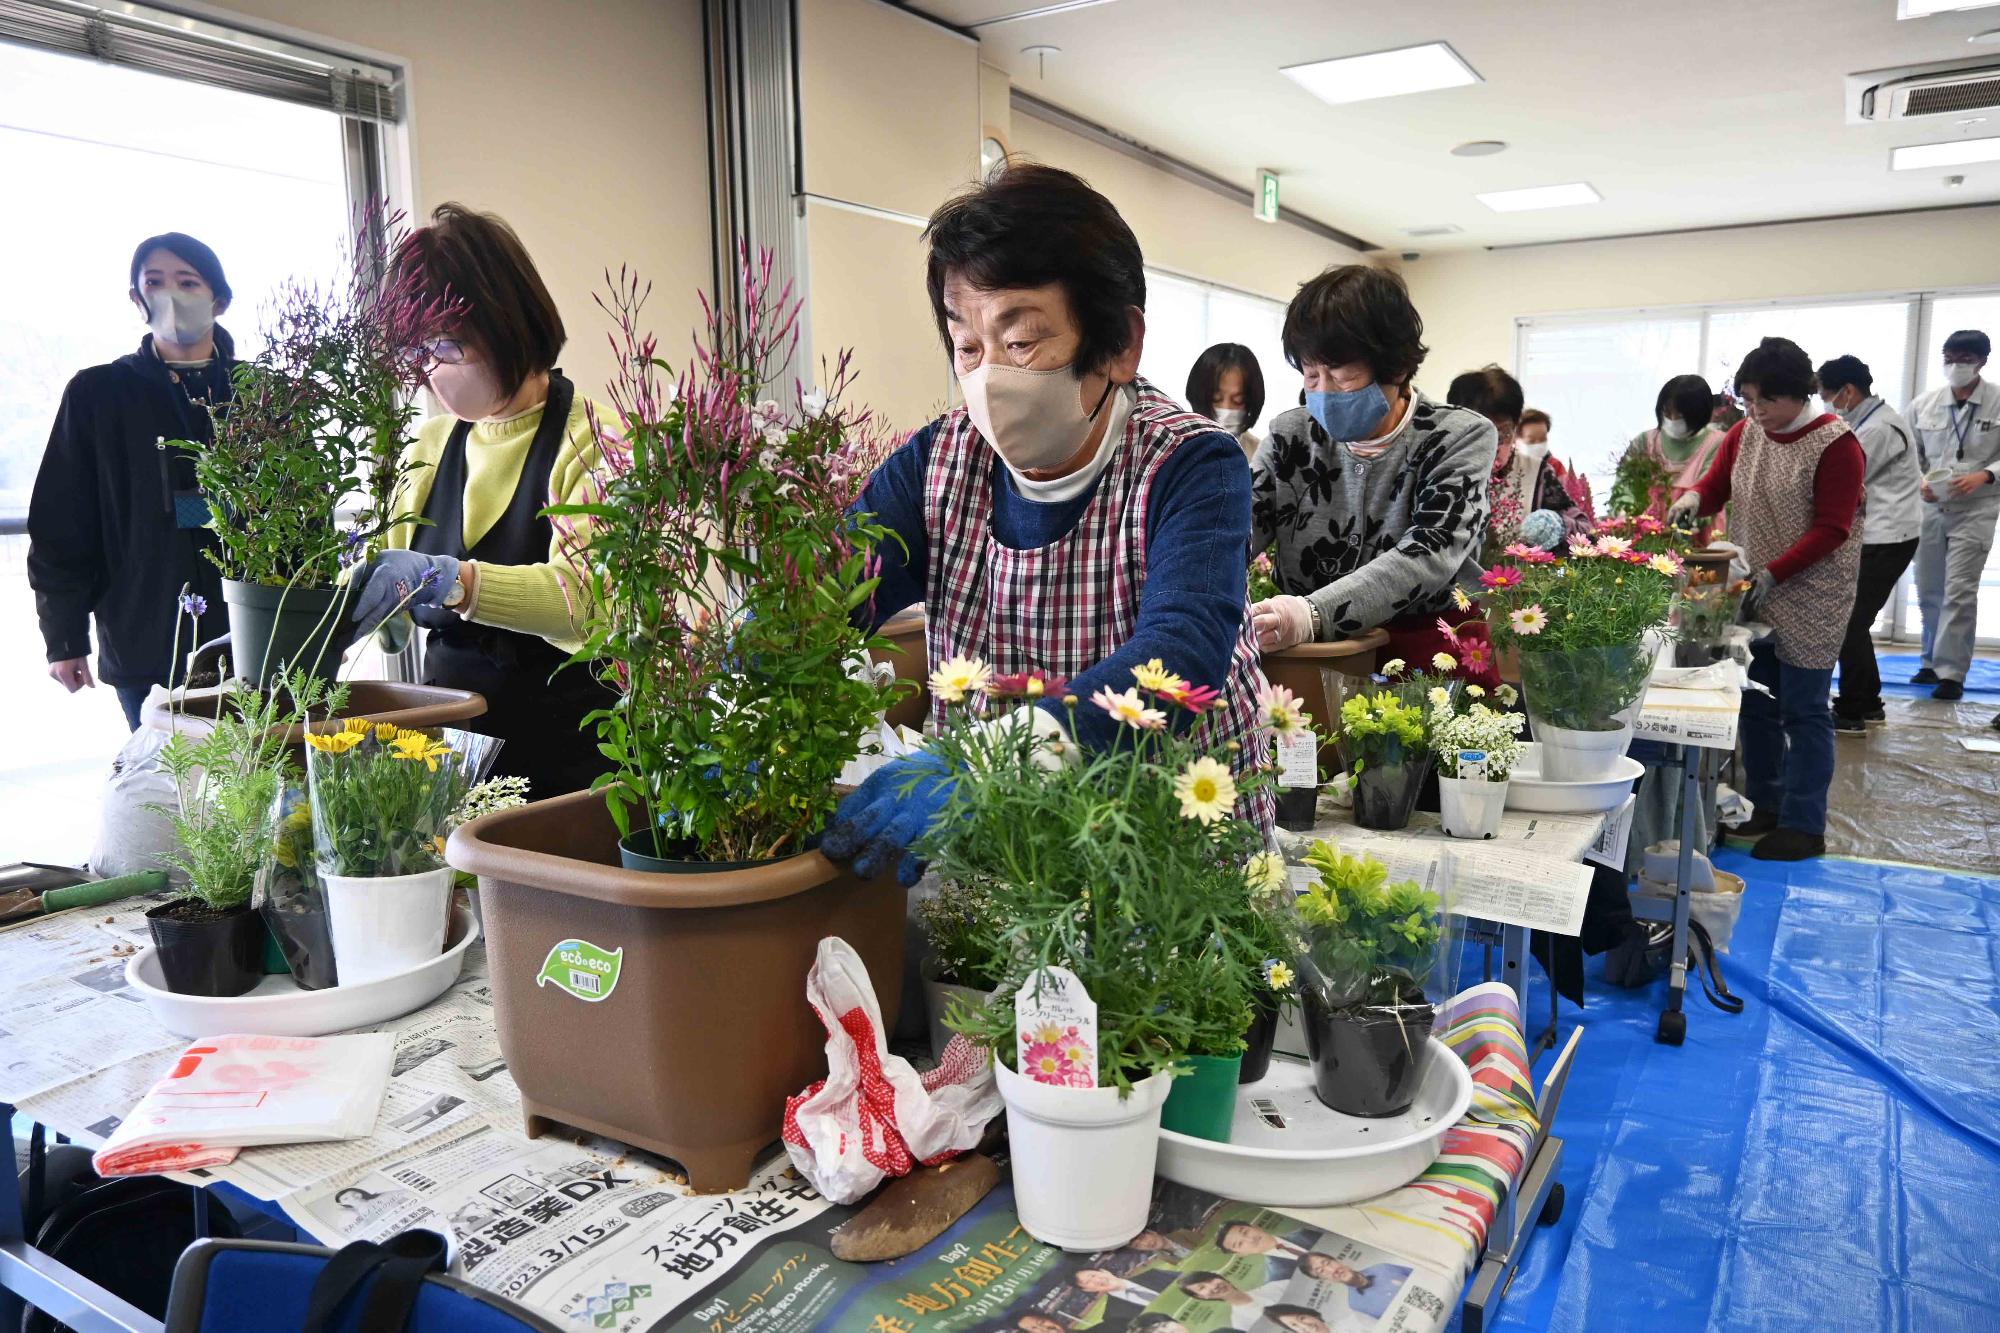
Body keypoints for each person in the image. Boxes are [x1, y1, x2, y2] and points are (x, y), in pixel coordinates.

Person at [821, 164, 1276, 885]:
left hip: (1170, 865)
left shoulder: (1190, 466)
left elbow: (1180, 654)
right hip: (1010, 869)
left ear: (1121, 344)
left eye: (1023, 341)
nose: (990, 378)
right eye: (967, 348)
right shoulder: (937, 463)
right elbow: (830, 590)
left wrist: (983, 763)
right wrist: (753, 673)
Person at [347, 203, 612, 797]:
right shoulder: (429, 446)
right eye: (417, 351)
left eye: (444, 346)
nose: (427, 372)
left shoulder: (597, 441)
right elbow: (384, 591)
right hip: (453, 762)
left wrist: (458, 582)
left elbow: (589, 602)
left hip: (574, 766)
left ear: (504, 322)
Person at [1247, 266, 1499, 685]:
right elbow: (1240, 529)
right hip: (1315, 660)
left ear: (1394, 369)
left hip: (1432, 660)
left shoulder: (1457, 437)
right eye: (1312, 375)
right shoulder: (1290, 434)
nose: (1324, 391)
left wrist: (1312, 614)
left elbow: (1430, 554)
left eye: (1343, 376)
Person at [28, 233, 234, 729]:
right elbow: (62, 523)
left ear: (219, 298)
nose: (171, 295)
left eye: (187, 281)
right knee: (171, 789)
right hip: (145, 635)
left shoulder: (263, 394)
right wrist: (65, 637)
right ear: (136, 298)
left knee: (273, 789)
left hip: (255, 636)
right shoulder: (98, 395)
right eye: (154, 282)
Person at [1670, 337, 1863, 861]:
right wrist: (1693, 499)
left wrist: (1775, 575)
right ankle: (1764, 805)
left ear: (1799, 394)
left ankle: (1804, 823)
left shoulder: (1836, 444)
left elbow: (1832, 529)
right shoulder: (1746, 432)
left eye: (1766, 402)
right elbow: (1716, 486)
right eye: (1748, 401)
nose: (1756, 412)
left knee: (1803, 711)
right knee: (1754, 700)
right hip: (1754, 587)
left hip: (1812, 593)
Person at [1817, 354, 1920, 733]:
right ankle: (1870, 702)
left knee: (1849, 621)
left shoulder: (1879, 428)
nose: (1826, 402)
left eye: (1827, 394)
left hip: (1887, 537)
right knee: (1854, 621)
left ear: (1848, 390)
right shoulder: (1863, 421)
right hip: (1880, 534)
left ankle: (1852, 710)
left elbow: (1846, 481)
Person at [1906, 329, 2000, 702]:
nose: (1955, 365)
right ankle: (1929, 661)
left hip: (1977, 507)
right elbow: (1909, 456)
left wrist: (1986, 474)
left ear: (1981, 361)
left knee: (1959, 591)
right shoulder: (1924, 404)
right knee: (1929, 589)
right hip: (1930, 508)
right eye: (1950, 357)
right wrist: (1919, 482)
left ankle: (1951, 672)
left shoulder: (1997, 402)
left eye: (1964, 358)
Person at [1446, 364, 1584, 543]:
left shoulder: (1537, 473)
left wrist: (1558, 525)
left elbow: (1583, 528)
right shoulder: (1441, 468)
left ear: (1515, 427)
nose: (1492, 447)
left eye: (1502, 434)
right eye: (1478, 436)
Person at [1623, 375, 1725, 521]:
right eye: (1667, 412)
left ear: (1700, 413)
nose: (1672, 419)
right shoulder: (1645, 442)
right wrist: (1625, 512)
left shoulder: (1717, 443)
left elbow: (1712, 489)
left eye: (1680, 415)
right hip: (1646, 531)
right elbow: (1624, 484)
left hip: (1696, 534)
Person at [1185, 342, 1266, 463]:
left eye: (1238, 401)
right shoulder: (1178, 451)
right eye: (1216, 399)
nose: (1226, 409)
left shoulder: (1260, 456)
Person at [1298, 1253, 1413, 1321]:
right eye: (1322, 1271)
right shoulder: (1356, 1305)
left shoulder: (1383, 1268)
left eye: (1327, 1263)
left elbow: (1426, 1277)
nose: (1333, 1270)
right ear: (1325, 1280)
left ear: (1337, 1261)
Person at [1179, 1272, 1289, 1329]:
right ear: (1202, 1297)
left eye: (1210, 1280)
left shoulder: (1274, 1286)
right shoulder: (1240, 1322)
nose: (1213, 1286)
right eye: (1201, 1288)